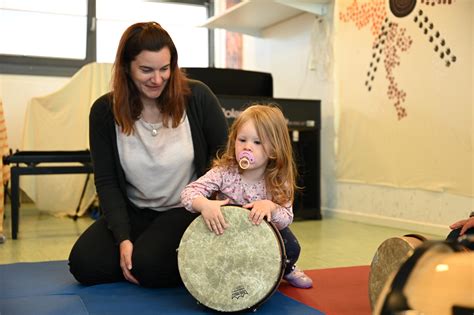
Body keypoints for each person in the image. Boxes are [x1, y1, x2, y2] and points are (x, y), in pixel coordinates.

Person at [68, 22, 228, 287]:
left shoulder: (198, 97)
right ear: (126, 68)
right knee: (83, 264)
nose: (157, 79)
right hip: (135, 212)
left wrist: (211, 204)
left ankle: (151, 258)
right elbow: (106, 182)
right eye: (146, 70)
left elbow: (224, 160)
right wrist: (123, 239)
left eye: (165, 69)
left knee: (148, 266)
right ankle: (150, 255)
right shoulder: (104, 111)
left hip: (185, 209)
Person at [181, 104, 313, 289]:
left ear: (274, 149)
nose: (247, 147)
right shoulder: (223, 172)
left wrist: (271, 207)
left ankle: (286, 268)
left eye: (257, 142)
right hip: (228, 233)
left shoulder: (278, 180)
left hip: (262, 234)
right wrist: (204, 204)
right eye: (242, 140)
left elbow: (286, 218)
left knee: (291, 247)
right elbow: (188, 193)